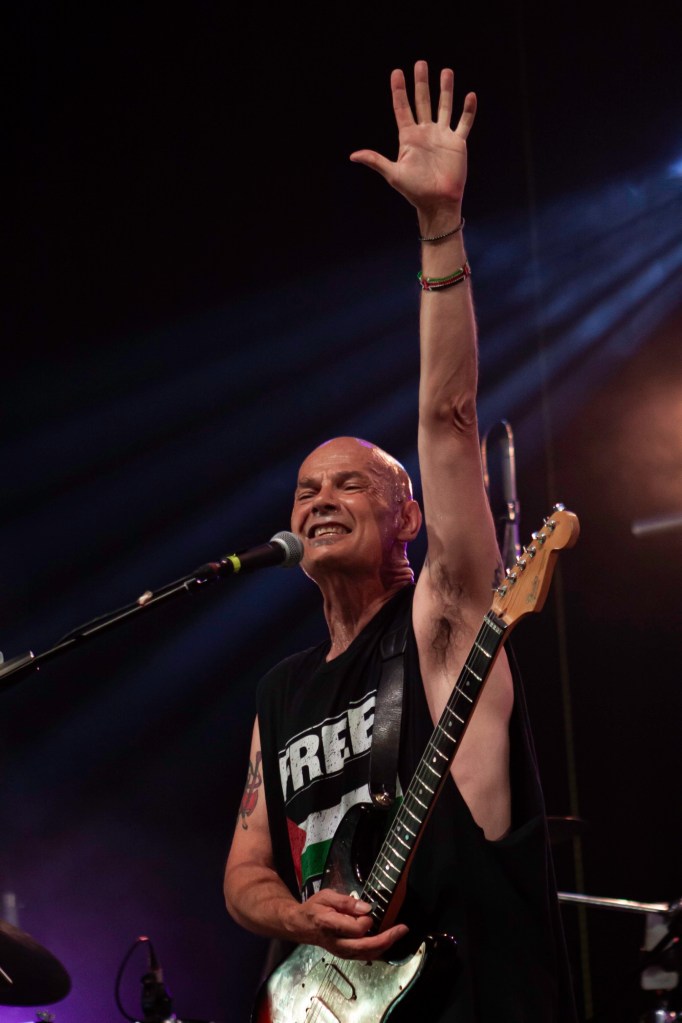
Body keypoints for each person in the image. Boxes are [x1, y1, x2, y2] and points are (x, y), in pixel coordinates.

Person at [224, 61, 576, 1022]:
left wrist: (439, 229)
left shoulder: (441, 623)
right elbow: (245, 872)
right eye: (306, 489)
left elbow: (449, 420)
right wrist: (297, 916)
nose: (319, 500)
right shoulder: (281, 693)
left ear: (408, 517)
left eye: (350, 483)